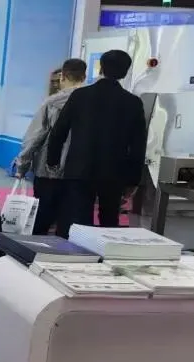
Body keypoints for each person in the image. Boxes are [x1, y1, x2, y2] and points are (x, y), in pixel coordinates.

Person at [46, 49, 148, 235]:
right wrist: (133, 179)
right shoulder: (133, 103)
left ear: (101, 67)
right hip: (114, 172)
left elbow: (59, 131)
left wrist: (52, 161)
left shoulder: (80, 96)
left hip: (79, 169)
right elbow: (138, 145)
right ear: (125, 72)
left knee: (77, 220)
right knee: (109, 221)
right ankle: (106, 249)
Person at [12, 58, 87, 236]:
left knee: (42, 218)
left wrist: (22, 164)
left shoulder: (52, 103)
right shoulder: (92, 103)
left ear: (63, 77)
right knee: (70, 222)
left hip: (48, 170)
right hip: (79, 172)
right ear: (84, 77)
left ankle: (37, 250)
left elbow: (35, 136)